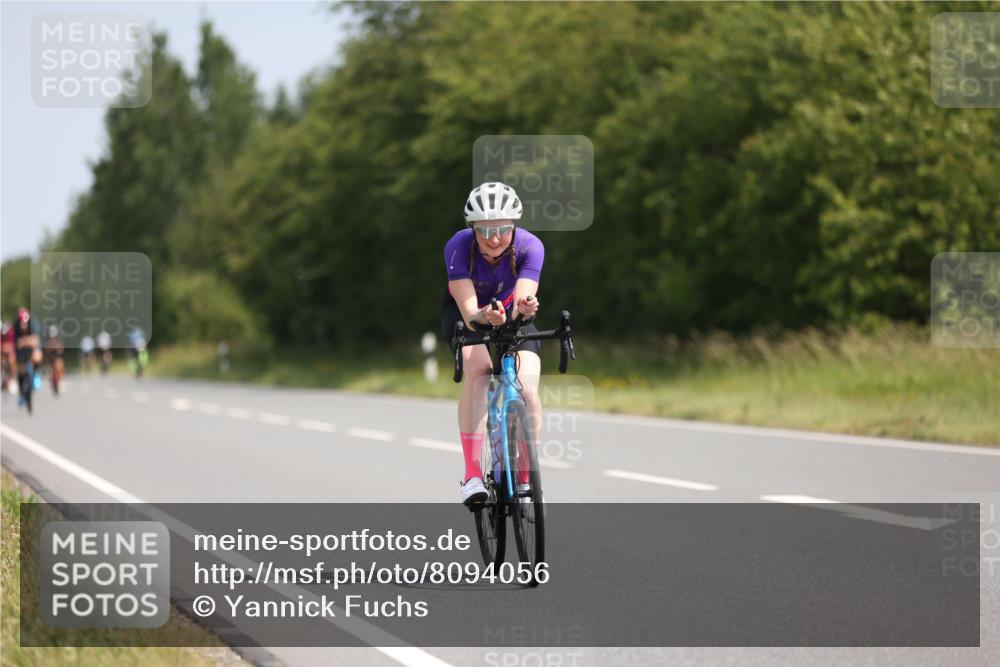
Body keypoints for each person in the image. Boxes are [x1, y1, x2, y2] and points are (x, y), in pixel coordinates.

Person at [441, 182, 543, 505]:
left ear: (513, 225)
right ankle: (472, 475)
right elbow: (471, 313)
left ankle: (526, 480)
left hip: (512, 315)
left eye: (502, 228)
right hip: (466, 313)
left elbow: (523, 298)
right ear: (473, 228)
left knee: (527, 390)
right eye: (484, 229)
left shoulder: (531, 246)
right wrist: (485, 315)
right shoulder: (458, 247)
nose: (494, 237)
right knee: (481, 372)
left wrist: (524, 308)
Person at [12, 308, 41, 413]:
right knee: (20, 370)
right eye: (21, 323)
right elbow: (16, 344)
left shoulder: (32, 326)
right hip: (20, 352)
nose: (23, 326)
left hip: (31, 350)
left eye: (25, 323)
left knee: (37, 356)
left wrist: (25, 341)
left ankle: (37, 374)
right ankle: (21, 391)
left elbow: (35, 342)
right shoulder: (15, 329)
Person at [44, 325, 65, 394]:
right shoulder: (47, 342)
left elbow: (61, 350)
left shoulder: (59, 341)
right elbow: (46, 351)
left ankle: (60, 380)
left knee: (59, 364)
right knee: (50, 369)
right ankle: (52, 379)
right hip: (50, 361)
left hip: (57, 360)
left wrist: (55, 348)